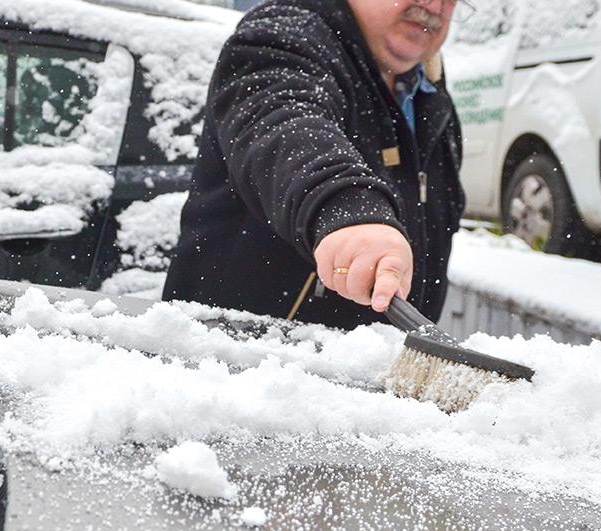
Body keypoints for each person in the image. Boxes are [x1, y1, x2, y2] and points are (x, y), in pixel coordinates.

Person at [163, 0, 467, 329]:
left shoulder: (432, 101)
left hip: (375, 369)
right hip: (236, 363)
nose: (434, 5)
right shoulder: (283, 37)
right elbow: (284, 122)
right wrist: (348, 208)